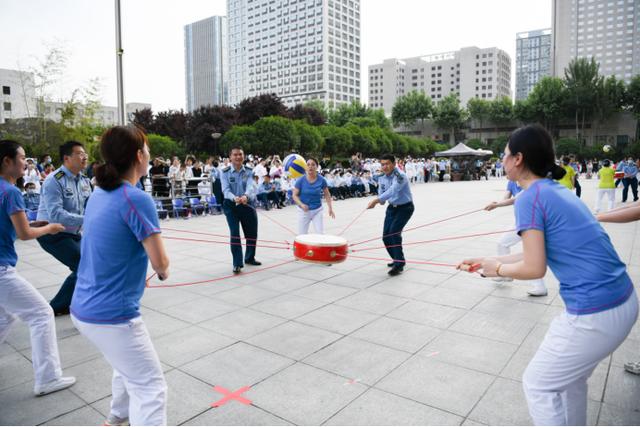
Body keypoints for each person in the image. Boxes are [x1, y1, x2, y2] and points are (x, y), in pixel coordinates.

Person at [458, 125, 638, 426]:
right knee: (568, 382)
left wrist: (498, 270)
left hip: (595, 312)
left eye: (504, 156)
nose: (501, 162)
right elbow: (536, 252)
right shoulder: (555, 190)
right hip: (622, 301)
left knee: (539, 384)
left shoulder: (530, 198)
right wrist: (491, 260)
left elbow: (533, 268)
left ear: (518, 159)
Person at [70, 126, 169, 426]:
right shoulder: (136, 199)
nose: (150, 156)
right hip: (113, 315)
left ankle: (116, 418)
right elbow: (161, 263)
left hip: (83, 309)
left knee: (125, 366)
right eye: (148, 150)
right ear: (139, 156)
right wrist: (162, 270)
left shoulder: (99, 194)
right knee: (151, 389)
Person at [0, 140, 76, 396]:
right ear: (7, 161)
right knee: (42, 314)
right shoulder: (10, 191)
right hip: (2, 269)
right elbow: (24, 233)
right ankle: (48, 378)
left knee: (5, 316)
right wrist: (49, 227)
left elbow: (17, 223)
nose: (26, 162)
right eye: (22, 158)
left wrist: (35, 220)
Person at [36, 141, 91, 316]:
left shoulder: (84, 180)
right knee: (84, 266)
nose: (85, 157)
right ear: (67, 158)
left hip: (73, 233)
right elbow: (56, 215)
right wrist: (89, 220)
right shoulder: (54, 180)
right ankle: (56, 307)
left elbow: (90, 207)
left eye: (85, 153)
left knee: (91, 264)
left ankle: (72, 302)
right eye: (80, 154)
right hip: (52, 233)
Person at [484, 179, 548, 296]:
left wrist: (497, 205)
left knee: (531, 253)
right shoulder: (512, 181)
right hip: (520, 220)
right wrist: (497, 203)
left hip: (531, 221)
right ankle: (505, 274)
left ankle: (539, 286)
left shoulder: (529, 181)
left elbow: (515, 199)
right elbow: (508, 196)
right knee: (502, 243)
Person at [367, 154, 414, 276]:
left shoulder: (400, 176)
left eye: (387, 164)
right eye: (382, 164)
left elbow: (393, 190)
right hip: (391, 208)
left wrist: (376, 201)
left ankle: (399, 264)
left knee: (394, 233)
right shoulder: (382, 177)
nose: (385, 167)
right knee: (386, 237)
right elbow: (382, 194)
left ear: (394, 164)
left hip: (405, 208)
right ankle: (396, 258)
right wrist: (379, 201)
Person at [220, 146, 260, 274]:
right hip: (231, 206)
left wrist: (246, 196)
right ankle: (237, 263)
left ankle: (249, 257)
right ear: (230, 157)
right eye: (235, 154)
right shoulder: (225, 172)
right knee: (235, 233)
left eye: (240, 154)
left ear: (244, 156)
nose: (238, 157)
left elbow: (251, 186)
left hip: (247, 204)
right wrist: (234, 198)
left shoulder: (249, 170)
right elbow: (225, 190)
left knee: (252, 232)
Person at [292, 157, 335, 235]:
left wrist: (330, 208)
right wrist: (301, 204)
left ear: (317, 167)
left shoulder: (322, 180)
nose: (310, 166)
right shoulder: (300, 180)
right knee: (302, 235)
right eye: (308, 165)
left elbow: (327, 194)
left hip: (317, 210)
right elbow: (294, 195)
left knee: (320, 234)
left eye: (313, 165)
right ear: (305, 167)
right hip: (303, 211)